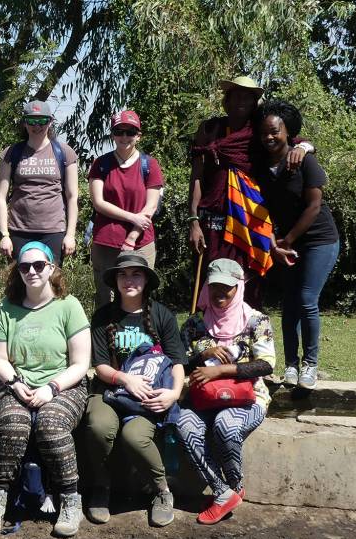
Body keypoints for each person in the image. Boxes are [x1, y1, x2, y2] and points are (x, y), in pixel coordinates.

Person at [0, 241, 91, 538]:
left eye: (38, 265)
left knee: (50, 424)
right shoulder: (6, 307)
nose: (31, 271)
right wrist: (16, 384)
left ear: (51, 268)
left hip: (64, 385)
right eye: (24, 266)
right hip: (17, 383)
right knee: (12, 424)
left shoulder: (69, 306)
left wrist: (51, 388)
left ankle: (69, 500)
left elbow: (81, 364)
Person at [187, 76, 312, 307]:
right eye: (237, 95)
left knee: (248, 282)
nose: (241, 101)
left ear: (255, 102)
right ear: (228, 99)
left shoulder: (259, 132)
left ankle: (247, 336)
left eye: (248, 96)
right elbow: (196, 177)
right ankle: (209, 337)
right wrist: (194, 221)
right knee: (212, 279)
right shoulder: (210, 129)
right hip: (212, 221)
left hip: (249, 220)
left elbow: (295, 140)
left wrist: (303, 148)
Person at [82, 252, 185, 526]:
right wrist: (126, 380)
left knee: (134, 435)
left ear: (146, 280)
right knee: (98, 426)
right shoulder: (103, 316)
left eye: (136, 274)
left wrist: (173, 394)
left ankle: (162, 491)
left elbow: (177, 362)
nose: (129, 280)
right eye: (122, 274)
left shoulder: (162, 315)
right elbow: (100, 366)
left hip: (149, 397)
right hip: (109, 391)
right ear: (115, 280)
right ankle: (101, 487)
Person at [173, 259, 275, 525]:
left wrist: (220, 371)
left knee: (225, 424)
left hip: (247, 399)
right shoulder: (195, 323)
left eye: (227, 288)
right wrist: (202, 354)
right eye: (214, 286)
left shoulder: (256, 321)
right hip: (203, 399)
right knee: (183, 424)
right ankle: (223, 491)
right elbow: (179, 362)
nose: (220, 294)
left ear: (239, 287)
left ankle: (235, 484)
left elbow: (266, 365)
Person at [253, 101, 339, 390]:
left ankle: (310, 366)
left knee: (306, 299)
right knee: (289, 303)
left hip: (319, 240)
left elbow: (314, 206)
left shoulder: (304, 160)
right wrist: (275, 244)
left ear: (288, 132)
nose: (269, 137)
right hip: (285, 243)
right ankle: (291, 365)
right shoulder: (261, 167)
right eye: (264, 132)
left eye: (275, 131)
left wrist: (285, 241)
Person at [88, 110, 165, 309]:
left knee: (140, 294)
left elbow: (151, 205)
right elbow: (98, 202)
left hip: (141, 242)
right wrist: (132, 217)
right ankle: (103, 338)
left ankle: (143, 337)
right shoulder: (101, 164)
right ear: (112, 134)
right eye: (119, 131)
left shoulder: (150, 165)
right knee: (105, 297)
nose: (124, 137)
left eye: (130, 132)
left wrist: (132, 236)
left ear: (138, 135)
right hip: (106, 242)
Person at [0, 100, 79, 264]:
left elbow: (72, 196)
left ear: (50, 121)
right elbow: (1, 196)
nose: (37, 126)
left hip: (53, 231)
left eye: (42, 121)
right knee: (20, 283)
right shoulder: (11, 153)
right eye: (32, 121)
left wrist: (70, 235)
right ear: (25, 122)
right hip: (19, 230)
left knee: (51, 283)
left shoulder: (64, 152)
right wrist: (4, 234)